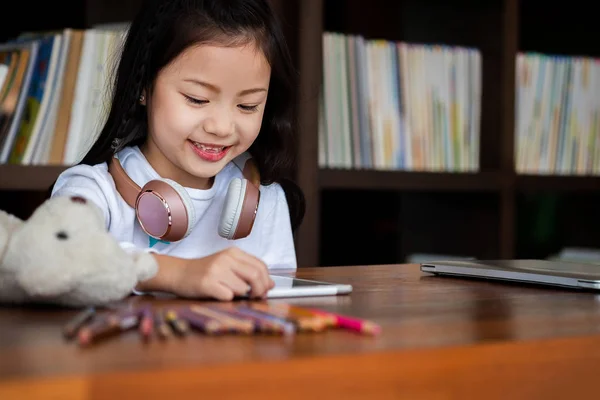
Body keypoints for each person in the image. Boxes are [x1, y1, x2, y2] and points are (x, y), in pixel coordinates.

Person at [50, 0, 305, 301]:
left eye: (247, 106)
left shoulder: (266, 201)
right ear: (143, 87)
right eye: (197, 99)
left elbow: (278, 304)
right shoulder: (93, 190)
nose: (222, 127)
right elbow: (58, 254)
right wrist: (176, 274)